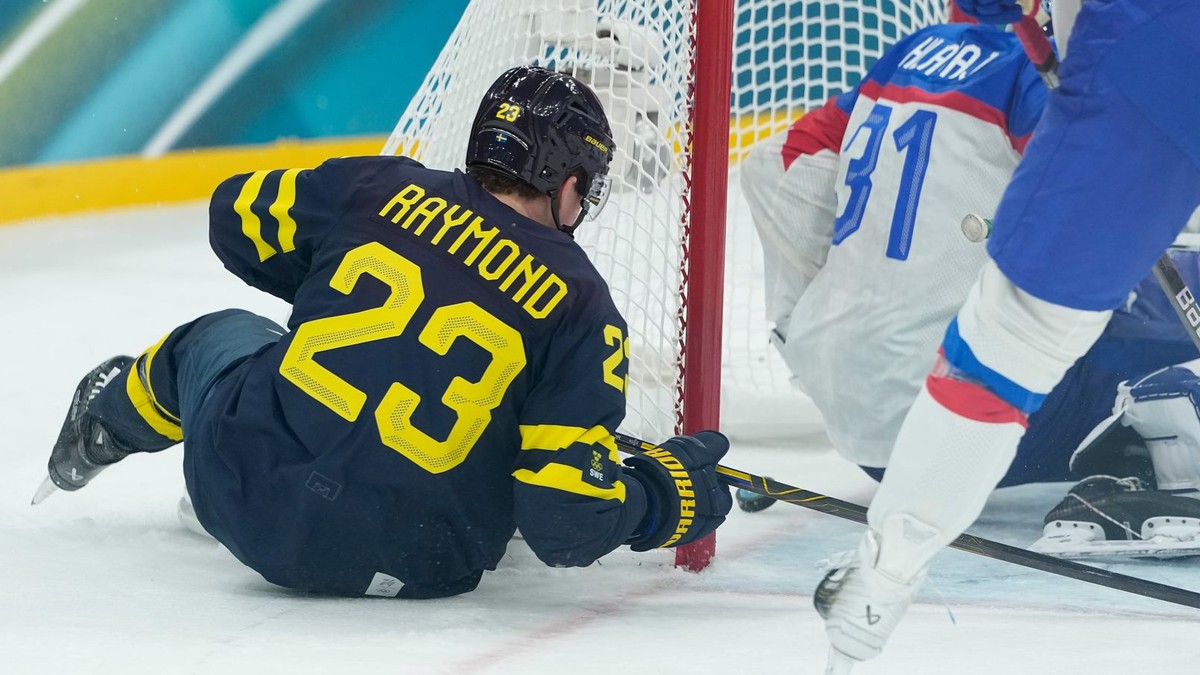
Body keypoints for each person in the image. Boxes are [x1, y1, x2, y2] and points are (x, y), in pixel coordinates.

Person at [32, 65, 733, 600]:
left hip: (238, 494)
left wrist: (339, 288)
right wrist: (662, 500)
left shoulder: (375, 188)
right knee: (513, 456)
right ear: (565, 179)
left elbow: (233, 216)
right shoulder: (584, 307)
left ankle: (107, 423)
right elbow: (565, 518)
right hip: (414, 565)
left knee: (221, 334)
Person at [810, 0, 1200, 670]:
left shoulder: (916, 54)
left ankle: (879, 585)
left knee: (1011, 337)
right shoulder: (1011, 70)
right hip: (1145, 52)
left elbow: (778, 164)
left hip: (1145, 49)